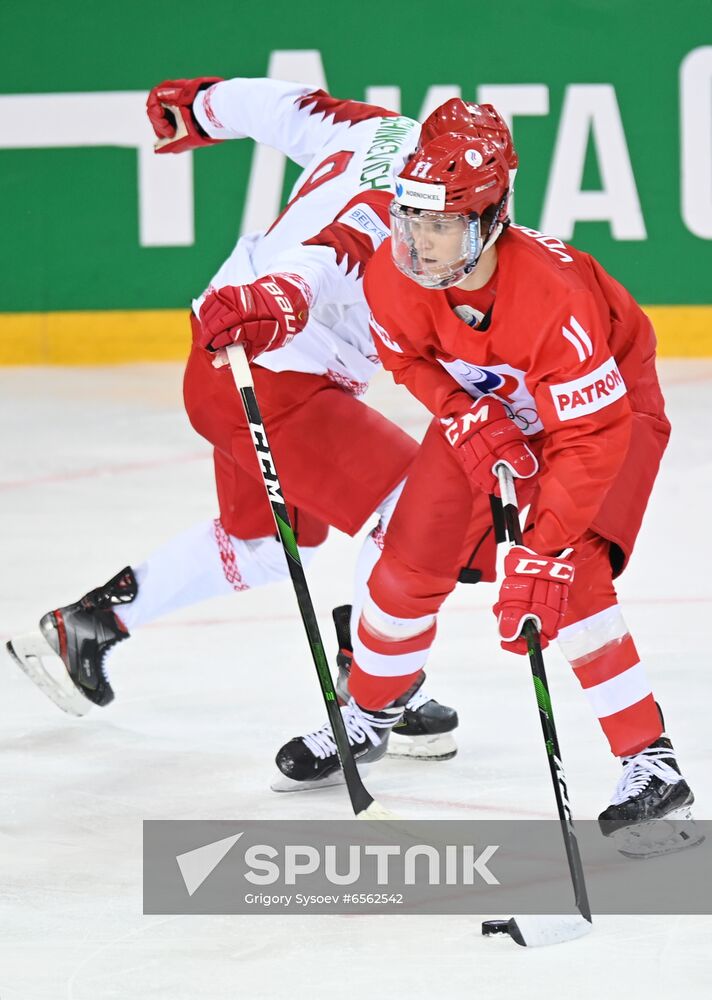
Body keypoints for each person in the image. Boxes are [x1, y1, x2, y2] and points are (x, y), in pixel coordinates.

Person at [6, 82, 513, 774]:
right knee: (418, 507)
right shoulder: (404, 213)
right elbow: (333, 252)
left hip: (225, 351)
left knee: (268, 543)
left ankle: (87, 626)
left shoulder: (384, 131)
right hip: (269, 371)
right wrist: (277, 300)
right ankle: (377, 686)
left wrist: (201, 107)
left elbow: (285, 108)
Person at [277, 128, 698, 849]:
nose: (420, 241)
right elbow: (405, 355)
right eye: (411, 218)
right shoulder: (393, 271)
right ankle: (370, 712)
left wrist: (543, 549)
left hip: (607, 416)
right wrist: (459, 408)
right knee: (406, 561)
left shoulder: (553, 298)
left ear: (491, 219)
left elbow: (589, 439)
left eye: (441, 224)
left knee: (573, 575)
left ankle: (650, 764)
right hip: (489, 410)